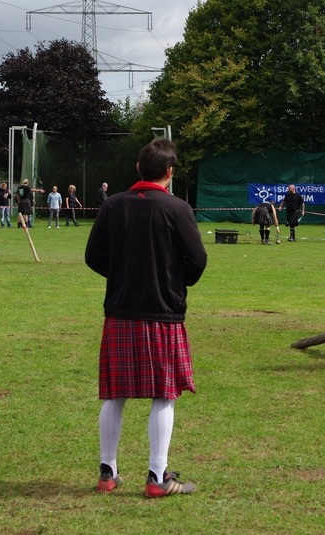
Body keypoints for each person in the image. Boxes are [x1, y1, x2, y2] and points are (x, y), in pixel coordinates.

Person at [85, 138, 208, 498]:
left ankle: (108, 473)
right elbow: (197, 260)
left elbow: (93, 256)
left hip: (121, 308)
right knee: (164, 394)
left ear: (138, 168)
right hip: (163, 311)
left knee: (114, 393)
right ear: (170, 172)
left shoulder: (113, 205)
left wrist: (122, 274)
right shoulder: (178, 208)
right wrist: (174, 280)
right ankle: (157, 477)